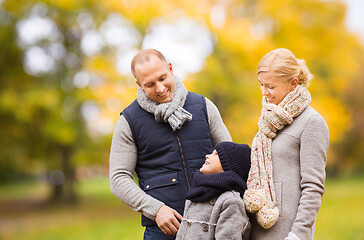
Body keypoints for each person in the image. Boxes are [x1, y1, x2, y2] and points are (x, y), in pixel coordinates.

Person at [109, 49, 232, 240]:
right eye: (149, 84)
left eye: (162, 78)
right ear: (138, 84)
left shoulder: (203, 106)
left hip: (213, 223)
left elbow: (229, 157)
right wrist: (155, 210)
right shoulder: (128, 121)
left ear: (170, 68)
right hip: (163, 231)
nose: (160, 89)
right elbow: (118, 178)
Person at [243, 48, 329, 240]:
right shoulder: (268, 120)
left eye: (271, 87)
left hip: (286, 232)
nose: (264, 92)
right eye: (261, 85)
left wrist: (297, 235)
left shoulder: (312, 122)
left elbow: (313, 187)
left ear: (293, 84)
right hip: (257, 227)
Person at [176, 141, 252, 240]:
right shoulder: (195, 195)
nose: (207, 156)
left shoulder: (231, 201)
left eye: (216, 154)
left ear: (228, 166)